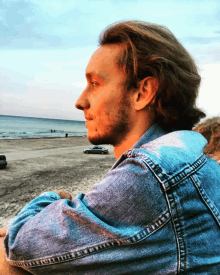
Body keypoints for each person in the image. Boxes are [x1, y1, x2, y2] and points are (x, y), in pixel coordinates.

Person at [1, 20, 220, 274]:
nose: (80, 101)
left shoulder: (149, 174)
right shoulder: (194, 160)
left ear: (142, 92)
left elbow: (19, 244)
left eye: (94, 84)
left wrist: (50, 198)